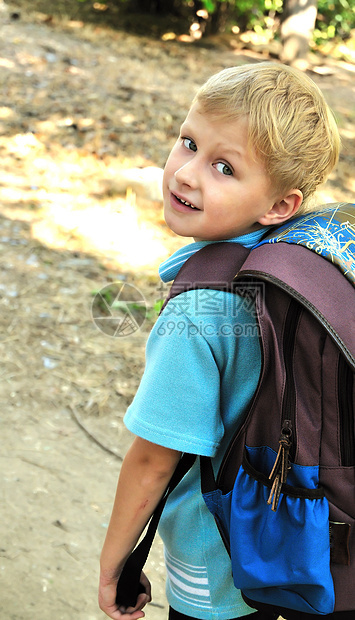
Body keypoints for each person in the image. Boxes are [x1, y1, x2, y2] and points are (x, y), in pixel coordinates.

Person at [98, 62, 340, 620]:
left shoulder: (199, 312)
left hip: (219, 562)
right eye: (188, 143)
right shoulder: (310, 259)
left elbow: (155, 459)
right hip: (308, 546)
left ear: (280, 204)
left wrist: (116, 560)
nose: (185, 174)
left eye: (224, 167)